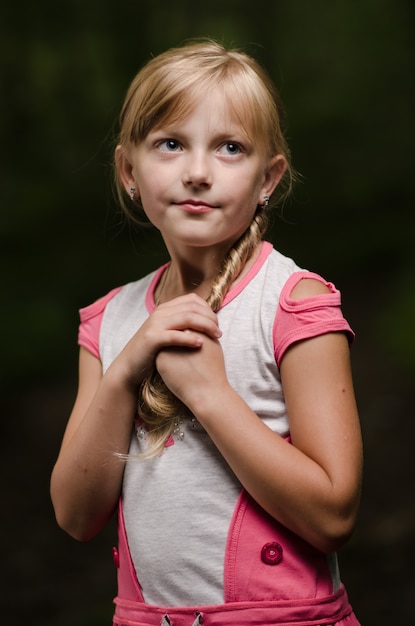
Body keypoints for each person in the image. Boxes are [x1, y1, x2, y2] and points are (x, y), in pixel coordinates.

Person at [50, 40, 363, 626]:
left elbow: (333, 518)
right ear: (129, 172)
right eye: (170, 144)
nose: (197, 172)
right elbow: (75, 514)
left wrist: (210, 394)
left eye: (230, 148)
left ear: (268, 178)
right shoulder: (109, 321)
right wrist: (124, 371)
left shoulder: (293, 303)